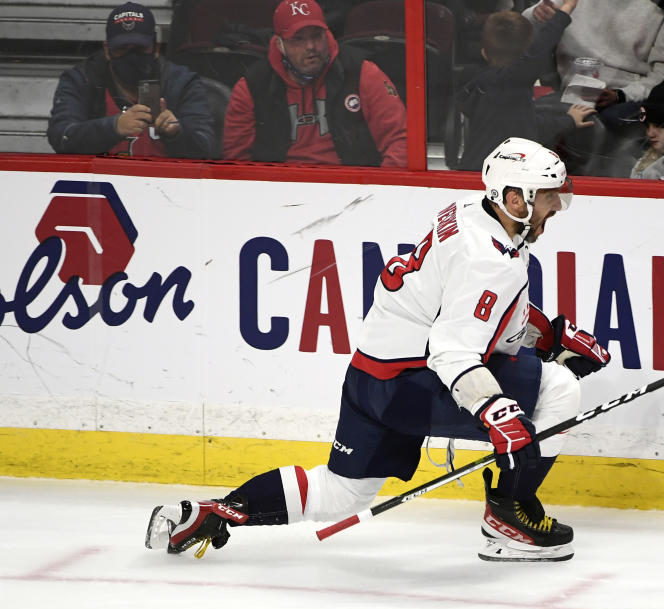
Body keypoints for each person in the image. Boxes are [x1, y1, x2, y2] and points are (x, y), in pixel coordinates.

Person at [144, 137, 611, 562]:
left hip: (372, 376)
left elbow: (463, 307)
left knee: (341, 492)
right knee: (559, 390)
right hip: (414, 380)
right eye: (550, 198)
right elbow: (453, 349)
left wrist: (545, 334)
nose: (557, 207)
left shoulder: (473, 212)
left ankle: (214, 511)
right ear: (517, 199)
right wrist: (498, 413)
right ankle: (510, 519)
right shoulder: (490, 260)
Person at [221, 0, 407, 166]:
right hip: (278, 192)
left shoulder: (362, 73)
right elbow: (236, 162)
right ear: (279, 44)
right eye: (298, 39)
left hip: (351, 190)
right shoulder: (252, 86)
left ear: (327, 34)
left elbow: (401, 141)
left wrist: (377, 191)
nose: (310, 46)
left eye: (316, 36)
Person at [47, 2, 215, 158]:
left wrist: (177, 132)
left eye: (140, 48)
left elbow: (206, 146)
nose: (131, 56)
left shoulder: (182, 82)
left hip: (166, 184)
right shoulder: (82, 79)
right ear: (107, 50)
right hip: (99, 182)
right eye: (122, 49)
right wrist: (113, 127)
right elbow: (61, 136)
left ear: (156, 48)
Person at [455, 2, 596, 171]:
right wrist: (567, 8)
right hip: (499, 179)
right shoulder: (513, 82)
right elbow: (544, 41)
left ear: (484, 52)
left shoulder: (480, 86)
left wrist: (568, 120)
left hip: (470, 175)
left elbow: (525, 124)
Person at [521, 0, 664, 129]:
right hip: (570, 93)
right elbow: (523, 26)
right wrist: (537, 16)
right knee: (525, 118)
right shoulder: (570, 2)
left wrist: (621, 95)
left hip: (627, 99)